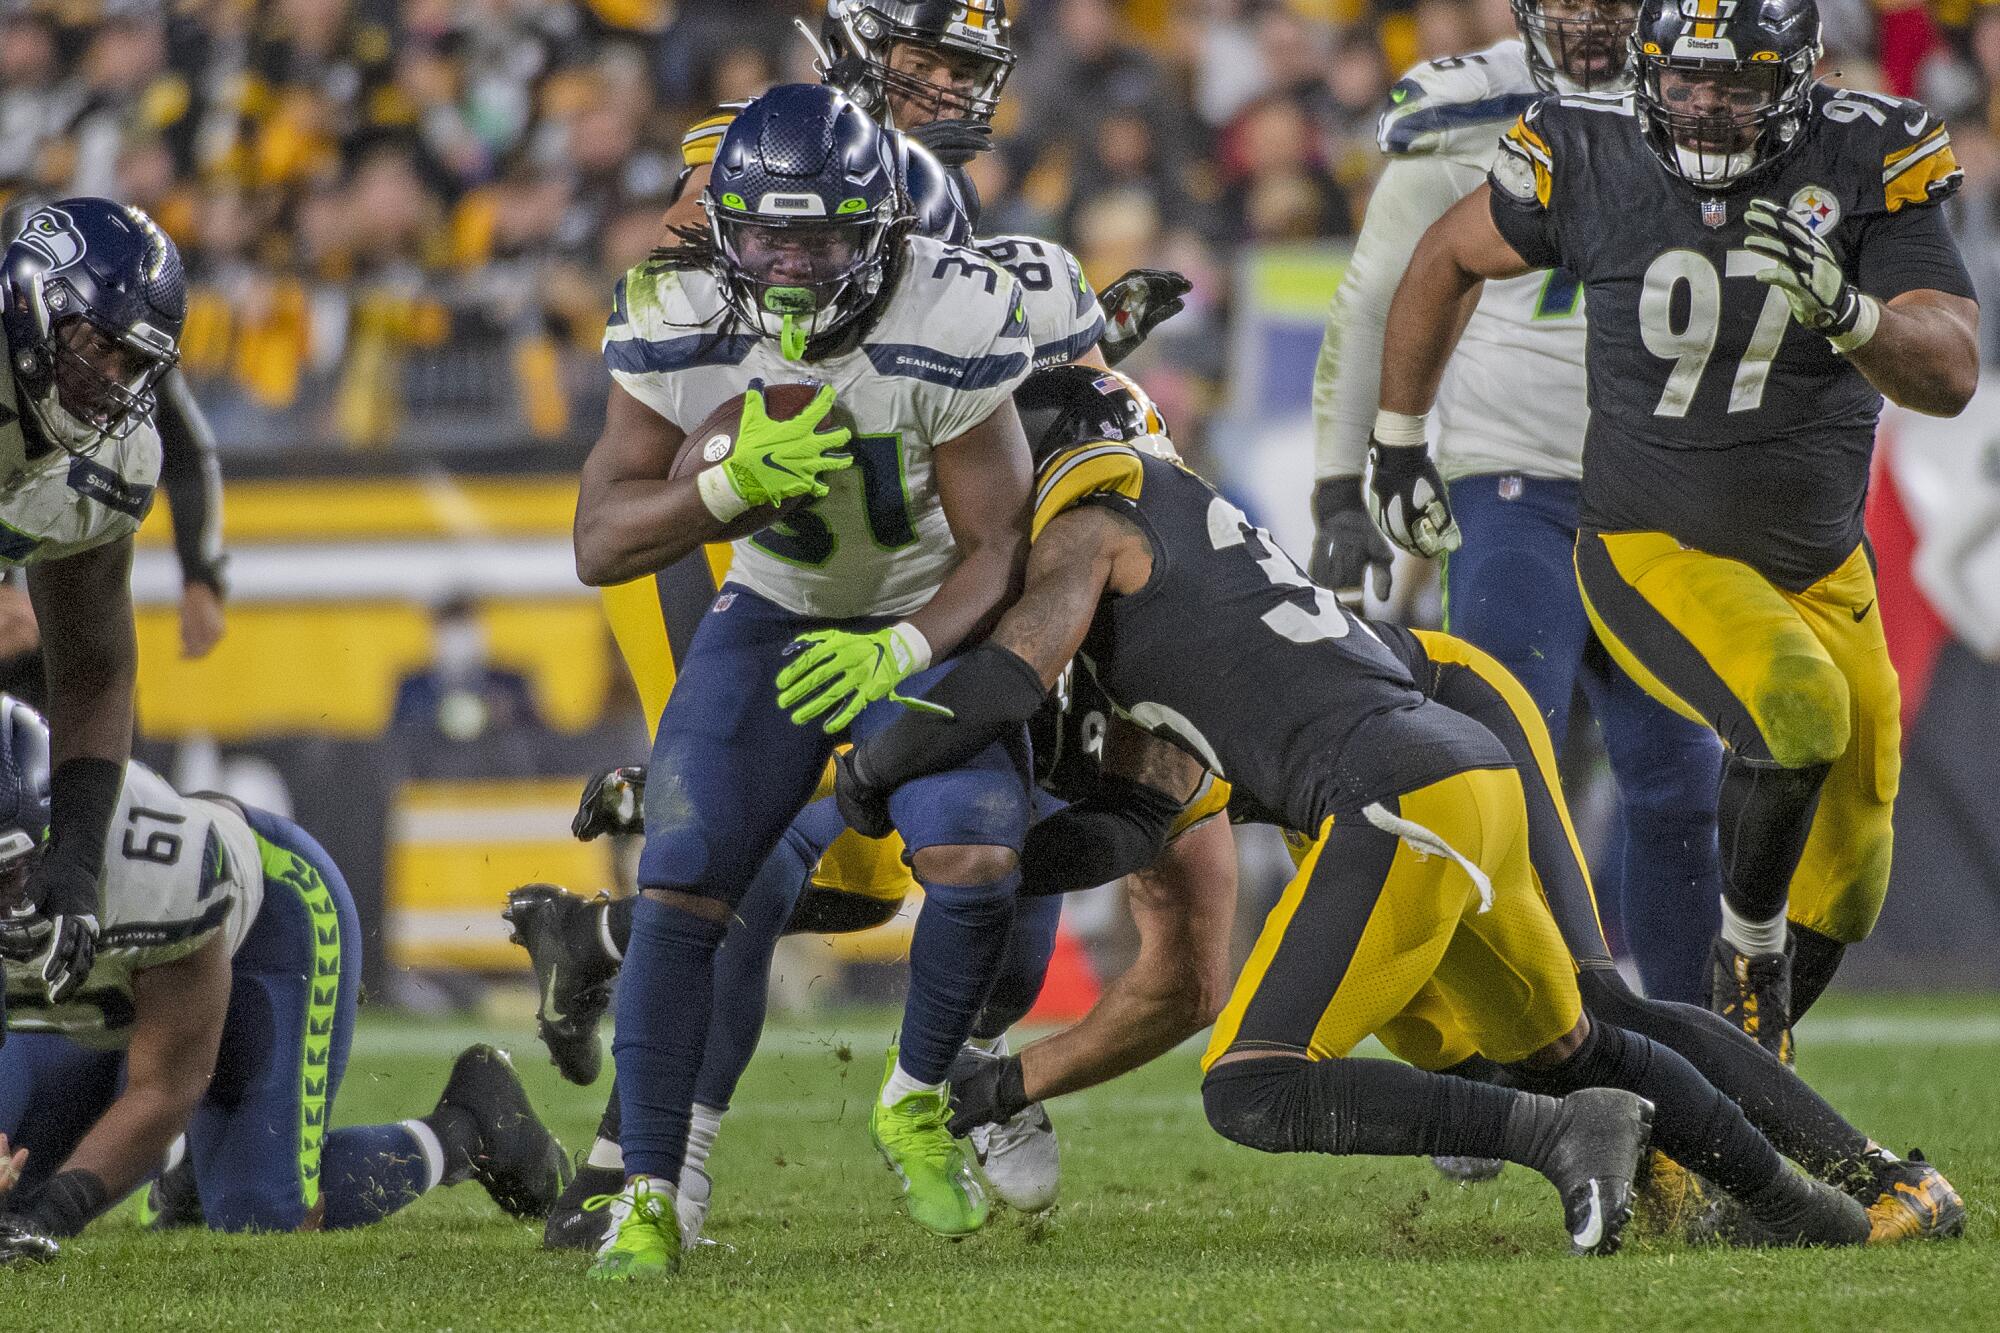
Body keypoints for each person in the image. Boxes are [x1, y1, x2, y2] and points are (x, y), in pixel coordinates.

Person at [835, 364, 1869, 1257]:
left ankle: (1555, 1135)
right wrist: (993, 863)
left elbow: (1011, 678)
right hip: (1452, 770)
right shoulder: (1187, 542)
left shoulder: (1093, 523)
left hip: (1394, 783)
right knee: (1574, 1040)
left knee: (1252, 1085)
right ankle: (1807, 1207)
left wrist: (873, 771)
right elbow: (1149, 814)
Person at [1369, 0, 1978, 1060]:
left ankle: (1737, 1063)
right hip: (1654, 544)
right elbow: (1442, 257)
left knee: (1853, 866)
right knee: (1794, 710)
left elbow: (1951, 370)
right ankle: (1740, 971)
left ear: (1799, 76)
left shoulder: (1871, 151)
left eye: (1735, 86)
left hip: (1820, 564)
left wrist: (1854, 316)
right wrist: (1396, 436)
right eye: (1683, 82)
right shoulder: (1588, 148)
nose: (1702, 110)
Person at [573, 84, 1038, 1278]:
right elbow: (600, 539)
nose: (787, 262)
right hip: (777, 613)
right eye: (765, 234)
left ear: (878, 229)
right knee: (680, 883)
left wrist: (902, 650)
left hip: (924, 616)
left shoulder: (953, 307)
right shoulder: (671, 310)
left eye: (820, 236)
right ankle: (646, 1192)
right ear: (721, 223)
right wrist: (718, 496)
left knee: (977, 859)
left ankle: (918, 1096)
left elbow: (997, 546)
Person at [1309, 0, 1726, 1004]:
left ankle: (1701, 1068)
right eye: (1569, 2)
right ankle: (1504, 1035)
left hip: (1661, 486)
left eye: (1612, 4)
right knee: (1495, 765)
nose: (1590, 25)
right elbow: (1375, 294)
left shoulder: (1719, 99)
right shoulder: (1465, 107)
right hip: (1510, 474)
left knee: (1676, 784)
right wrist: (1340, 487)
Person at [0, 696, 570, 1257]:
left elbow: (169, 1083)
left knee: (263, 1216)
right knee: (13, 1182)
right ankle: (196, 1165)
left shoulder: (155, 873)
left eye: (14, 869)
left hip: (265, 934)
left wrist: (56, 1215)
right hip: (101, 990)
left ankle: (471, 1127)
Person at [0, 199, 188, 1014]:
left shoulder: (110, 463)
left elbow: (96, 669)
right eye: (97, 344)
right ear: (33, 299)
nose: (109, 379)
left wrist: (74, 862)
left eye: (132, 364)